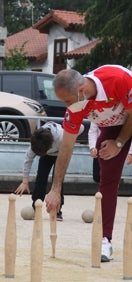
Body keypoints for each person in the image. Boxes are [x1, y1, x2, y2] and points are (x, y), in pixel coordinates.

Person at [45, 65, 132, 263]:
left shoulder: (117, 79)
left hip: (129, 118)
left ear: (81, 90)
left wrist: (119, 143)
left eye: (67, 100)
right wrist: (56, 188)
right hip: (111, 126)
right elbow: (66, 147)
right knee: (107, 181)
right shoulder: (76, 106)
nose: (67, 106)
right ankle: (105, 239)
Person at [15, 121, 84, 221]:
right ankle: (36, 206)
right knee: (40, 179)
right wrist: (25, 181)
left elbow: (81, 127)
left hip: (61, 155)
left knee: (58, 182)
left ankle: (57, 210)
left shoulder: (61, 136)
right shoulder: (35, 142)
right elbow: (28, 160)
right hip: (46, 155)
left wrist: (71, 132)